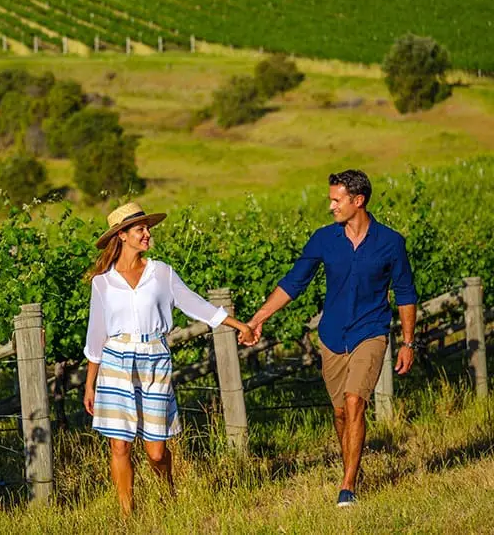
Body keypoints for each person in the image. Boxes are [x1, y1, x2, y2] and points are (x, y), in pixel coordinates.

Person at [243, 170, 419, 508]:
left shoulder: (390, 242)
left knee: (355, 402)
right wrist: (258, 319)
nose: (331, 206)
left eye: (336, 200)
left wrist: (408, 342)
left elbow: (406, 292)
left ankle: (348, 485)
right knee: (340, 412)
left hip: (371, 331)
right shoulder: (324, 239)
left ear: (358, 201)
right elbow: (294, 282)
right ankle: (350, 466)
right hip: (333, 336)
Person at [83, 201, 255, 515]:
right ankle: (127, 515)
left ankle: (168, 492)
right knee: (119, 444)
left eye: (147, 229)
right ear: (122, 235)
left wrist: (237, 324)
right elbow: (97, 335)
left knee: (156, 451)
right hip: (115, 362)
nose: (147, 234)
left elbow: (197, 305)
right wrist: (89, 384)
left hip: (154, 360)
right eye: (140, 230)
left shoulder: (161, 272)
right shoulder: (102, 282)